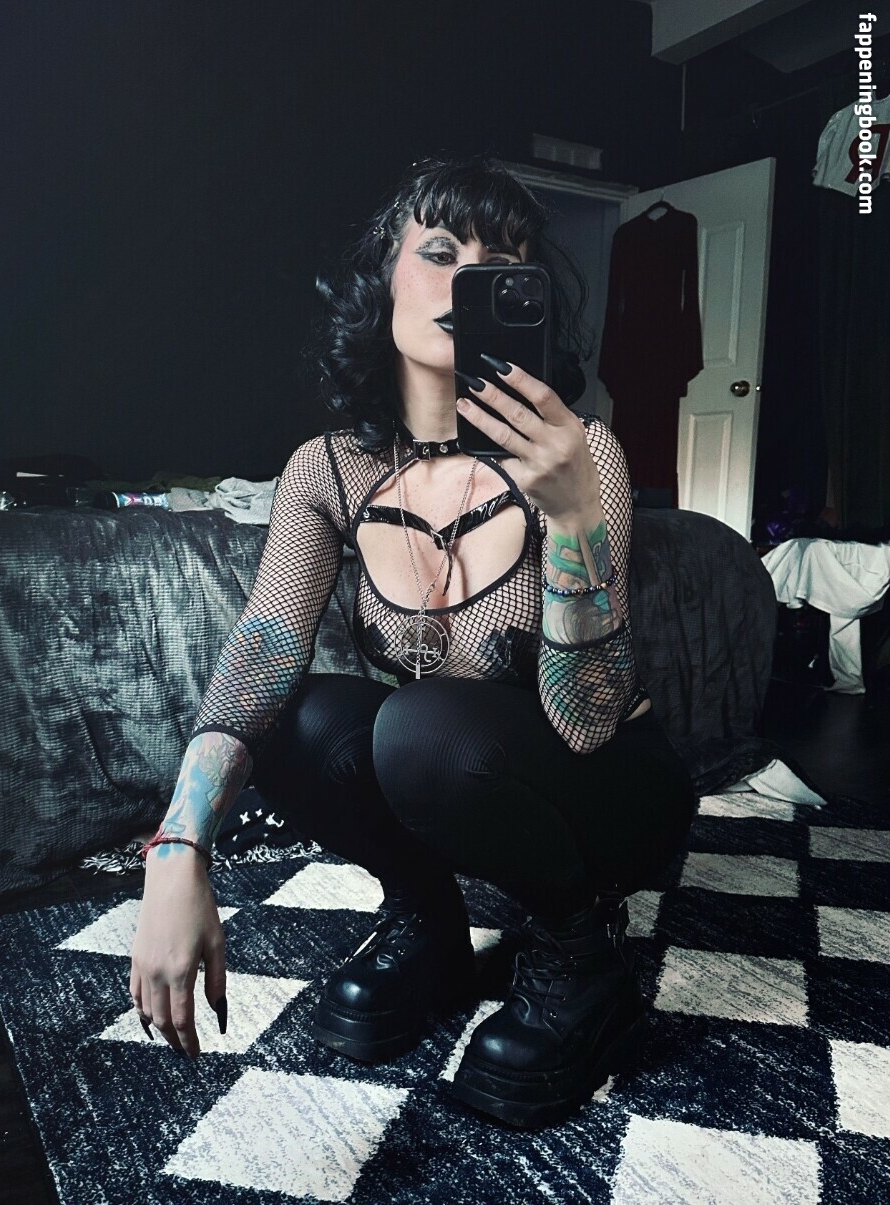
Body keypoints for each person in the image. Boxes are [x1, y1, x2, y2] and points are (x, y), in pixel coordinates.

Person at [130, 155, 696, 1129]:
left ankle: (579, 954)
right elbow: (259, 661)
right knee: (303, 718)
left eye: (500, 265)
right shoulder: (326, 470)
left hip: (611, 791)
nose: (467, 281)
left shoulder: (580, 452)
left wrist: (573, 517)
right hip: (462, 766)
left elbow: (588, 721)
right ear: (381, 281)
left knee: (420, 726)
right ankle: (428, 925)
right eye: (439, 252)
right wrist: (177, 848)